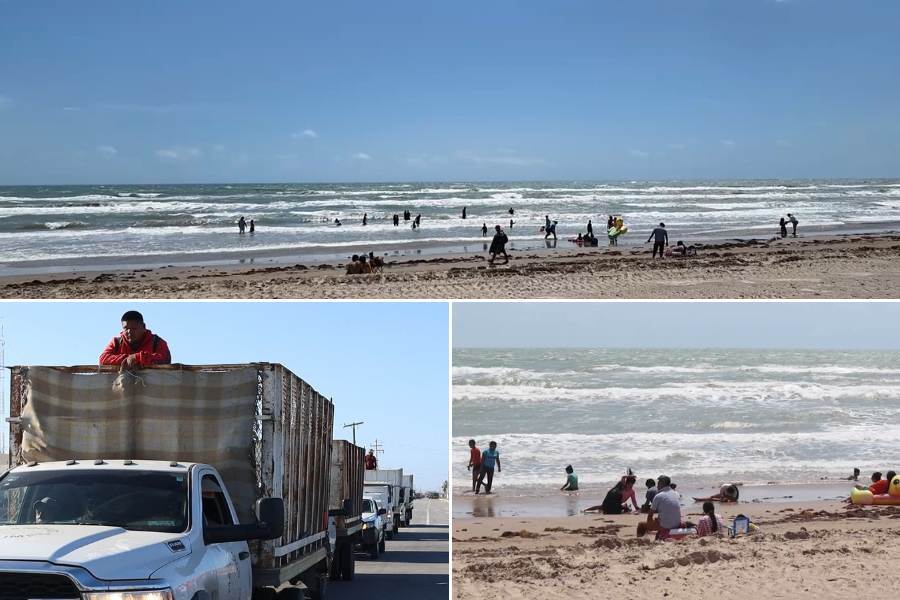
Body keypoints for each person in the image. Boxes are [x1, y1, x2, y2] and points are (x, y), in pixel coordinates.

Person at [99, 310, 172, 367]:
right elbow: (103, 359)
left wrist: (138, 357)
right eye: (126, 328)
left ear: (143, 327)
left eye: (134, 328)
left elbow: (165, 359)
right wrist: (128, 359)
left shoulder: (157, 342)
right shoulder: (117, 342)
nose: (129, 331)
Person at [639, 475, 682, 540]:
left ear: (662, 483)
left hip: (666, 526)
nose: (657, 485)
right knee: (659, 520)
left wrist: (650, 525)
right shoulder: (676, 494)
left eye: (658, 483)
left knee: (641, 525)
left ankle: (641, 542)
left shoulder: (659, 496)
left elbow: (650, 516)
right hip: (677, 524)